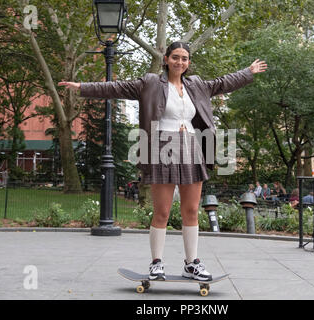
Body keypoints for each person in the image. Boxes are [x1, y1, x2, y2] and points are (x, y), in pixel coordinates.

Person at [59, 41, 267, 281]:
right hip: (160, 147)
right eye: (176, 57)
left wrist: (247, 72)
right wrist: (82, 87)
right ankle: (156, 263)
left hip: (191, 146)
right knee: (162, 211)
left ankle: (191, 264)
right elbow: (116, 87)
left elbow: (222, 83)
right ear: (166, 59)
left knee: (191, 210)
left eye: (185, 58)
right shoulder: (149, 83)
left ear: (189, 62)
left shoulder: (197, 85)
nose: (180, 62)